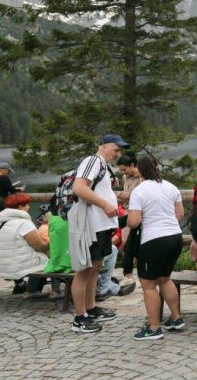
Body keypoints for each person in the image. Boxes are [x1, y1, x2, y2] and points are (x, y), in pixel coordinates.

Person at [68, 134, 127, 333]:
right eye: (116, 149)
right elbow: (78, 187)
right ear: (102, 146)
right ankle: (79, 317)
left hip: (101, 225)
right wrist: (105, 204)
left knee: (95, 266)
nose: (118, 154)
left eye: (120, 151)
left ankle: (91, 308)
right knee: (84, 270)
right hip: (90, 225)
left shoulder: (102, 164)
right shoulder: (92, 160)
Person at [127, 155, 185, 340]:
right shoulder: (171, 187)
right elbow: (180, 214)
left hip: (153, 240)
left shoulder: (139, 191)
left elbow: (134, 221)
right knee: (166, 279)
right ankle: (176, 318)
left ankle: (153, 328)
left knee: (149, 285)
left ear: (140, 170)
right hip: (175, 237)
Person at [0, 193, 49, 293]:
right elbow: (39, 246)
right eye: (27, 204)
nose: (29, 207)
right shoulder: (24, 223)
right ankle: (35, 291)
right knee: (48, 260)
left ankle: (24, 286)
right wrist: (51, 242)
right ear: (21, 207)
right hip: (14, 265)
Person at [116, 154, 142, 288]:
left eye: (124, 169)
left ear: (132, 165)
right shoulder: (125, 177)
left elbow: (144, 193)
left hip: (138, 214)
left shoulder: (142, 176)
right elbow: (126, 192)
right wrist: (121, 197)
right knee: (128, 245)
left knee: (130, 244)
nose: (123, 172)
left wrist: (129, 195)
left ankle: (129, 275)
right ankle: (129, 275)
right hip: (128, 210)